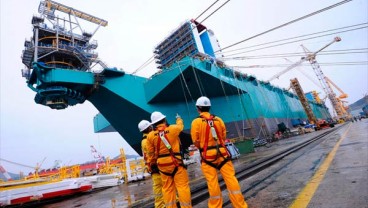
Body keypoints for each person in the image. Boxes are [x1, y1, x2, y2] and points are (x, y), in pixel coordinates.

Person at [191, 96, 248, 208]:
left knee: (212, 183)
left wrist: (204, 146)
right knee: (231, 179)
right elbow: (223, 136)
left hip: (207, 156)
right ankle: (240, 205)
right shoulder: (219, 120)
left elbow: (196, 141)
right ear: (209, 107)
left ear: (198, 108)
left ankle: (215, 206)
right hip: (223, 154)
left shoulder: (196, 122)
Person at [146, 111, 192, 208]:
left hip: (162, 166)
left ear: (153, 124)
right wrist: (178, 119)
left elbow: (150, 153)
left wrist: (152, 163)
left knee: (167, 189)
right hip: (176, 163)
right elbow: (180, 127)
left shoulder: (150, 136)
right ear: (164, 120)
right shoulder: (173, 129)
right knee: (182, 187)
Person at [138, 120, 165, 208]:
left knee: (161, 185)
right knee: (160, 186)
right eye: (150, 127)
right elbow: (152, 153)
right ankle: (160, 205)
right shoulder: (147, 141)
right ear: (149, 128)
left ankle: (164, 203)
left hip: (153, 165)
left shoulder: (144, 140)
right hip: (155, 165)